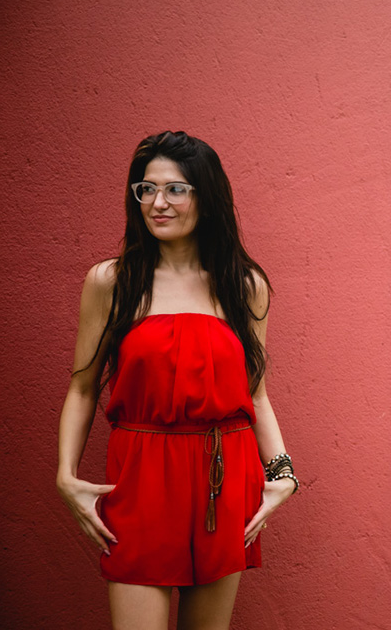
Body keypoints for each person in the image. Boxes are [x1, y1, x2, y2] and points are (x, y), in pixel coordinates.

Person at [56, 131, 298, 629]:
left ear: (206, 198)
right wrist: (66, 475)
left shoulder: (244, 285)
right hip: (141, 477)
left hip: (223, 478)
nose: (157, 203)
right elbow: (82, 388)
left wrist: (282, 475)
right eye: (146, 189)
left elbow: (255, 393)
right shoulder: (112, 282)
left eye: (175, 190)